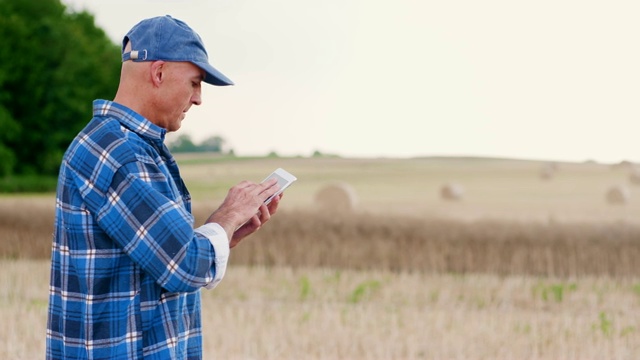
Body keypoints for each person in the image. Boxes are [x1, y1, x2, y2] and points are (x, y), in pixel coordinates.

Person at [46, 15, 281, 359]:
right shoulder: (118, 152)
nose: (198, 98)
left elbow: (158, 260)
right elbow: (182, 265)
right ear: (158, 73)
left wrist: (227, 234)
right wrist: (228, 213)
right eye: (195, 82)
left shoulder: (129, 147)